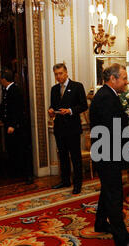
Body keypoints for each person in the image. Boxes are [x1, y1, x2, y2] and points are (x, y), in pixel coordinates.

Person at [89, 63, 129, 246]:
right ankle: (124, 245)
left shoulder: (108, 95)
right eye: (124, 77)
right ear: (113, 79)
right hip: (107, 155)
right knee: (115, 197)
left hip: (106, 153)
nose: (127, 81)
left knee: (108, 189)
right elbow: (112, 130)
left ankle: (100, 224)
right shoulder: (106, 98)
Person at [48, 63, 88, 194]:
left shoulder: (77, 86)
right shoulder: (54, 89)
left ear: (66, 73)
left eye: (60, 73)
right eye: (56, 74)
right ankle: (65, 181)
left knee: (75, 157)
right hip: (59, 129)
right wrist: (51, 110)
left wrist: (70, 110)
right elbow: (53, 106)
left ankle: (77, 184)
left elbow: (83, 106)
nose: (58, 76)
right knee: (63, 156)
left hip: (73, 129)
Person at [0, 69, 34, 185]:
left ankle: (28, 175)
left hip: (18, 128)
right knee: (14, 151)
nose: (0, 81)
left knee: (23, 151)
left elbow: (17, 109)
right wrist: (3, 120)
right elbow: (6, 108)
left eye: (0, 79)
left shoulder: (15, 90)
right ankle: (17, 172)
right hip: (11, 126)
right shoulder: (7, 90)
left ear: (4, 79)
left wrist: (12, 125)